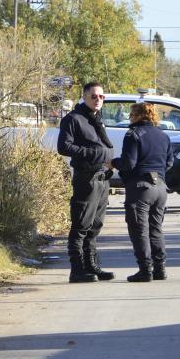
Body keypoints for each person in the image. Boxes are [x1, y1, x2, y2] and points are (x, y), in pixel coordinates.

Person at [57, 81, 116, 283]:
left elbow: (104, 146)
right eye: (94, 96)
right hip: (86, 178)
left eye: (101, 96)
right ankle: (77, 269)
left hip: (102, 178)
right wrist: (93, 154)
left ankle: (92, 266)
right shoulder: (73, 119)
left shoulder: (96, 118)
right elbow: (64, 147)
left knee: (95, 226)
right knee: (81, 224)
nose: (98, 100)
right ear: (84, 97)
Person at [112, 102, 173, 282]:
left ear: (137, 116)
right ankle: (160, 269)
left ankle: (145, 270)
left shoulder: (133, 134)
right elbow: (169, 163)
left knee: (139, 229)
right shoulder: (163, 136)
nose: (129, 117)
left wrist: (113, 163)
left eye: (131, 114)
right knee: (156, 229)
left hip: (140, 189)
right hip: (161, 188)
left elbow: (128, 163)